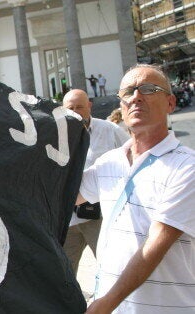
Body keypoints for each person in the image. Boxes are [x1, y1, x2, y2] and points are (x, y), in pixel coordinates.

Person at [78, 64, 194, 313]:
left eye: (149, 89)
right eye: (128, 92)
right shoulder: (108, 162)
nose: (136, 97)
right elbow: (62, 196)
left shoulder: (187, 166)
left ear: (171, 103)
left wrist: (107, 303)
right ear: (121, 105)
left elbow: (155, 245)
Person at [62, 90, 129, 276]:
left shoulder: (110, 130)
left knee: (110, 268)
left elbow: (133, 157)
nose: (75, 111)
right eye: (71, 108)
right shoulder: (55, 134)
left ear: (89, 106)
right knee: (65, 272)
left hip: (99, 217)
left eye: (80, 107)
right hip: (70, 220)